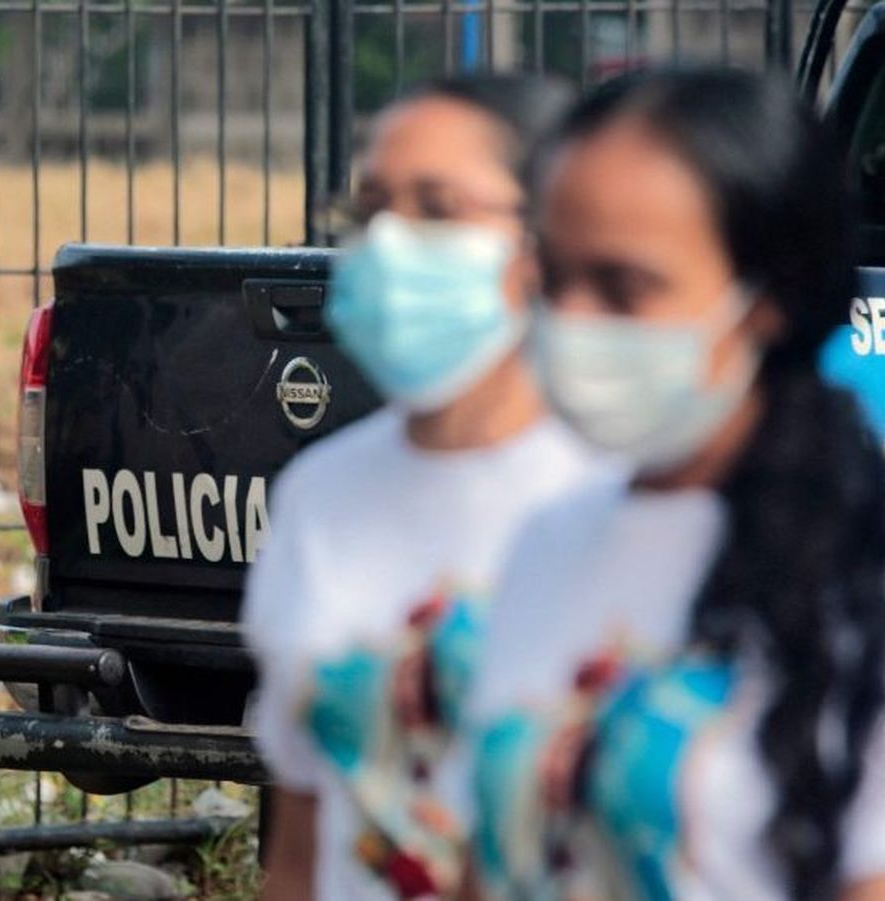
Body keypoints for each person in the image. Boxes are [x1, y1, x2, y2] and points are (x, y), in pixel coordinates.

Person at [468, 68, 885, 900]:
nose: (571, 322)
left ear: (771, 295)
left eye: (623, 286)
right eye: (554, 278)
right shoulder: (543, 539)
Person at [241, 75, 594, 901]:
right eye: (372, 211)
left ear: (547, 235)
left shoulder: (613, 495)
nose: (392, 246)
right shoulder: (320, 498)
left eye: (437, 208)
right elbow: (302, 844)